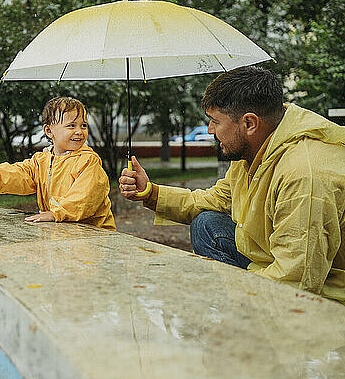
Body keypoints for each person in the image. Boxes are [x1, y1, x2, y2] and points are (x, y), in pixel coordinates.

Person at [119, 66, 345, 304]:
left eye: (215, 121)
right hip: (269, 262)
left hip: (322, 298)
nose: (210, 130)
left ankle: (240, 310)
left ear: (249, 123)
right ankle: (237, 299)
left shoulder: (304, 176)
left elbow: (295, 282)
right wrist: (150, 192)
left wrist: (213, 294)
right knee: (206, 224)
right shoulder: (254, 150)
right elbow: (213, 200)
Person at [0, 96, 116, 231]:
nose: (79, 131)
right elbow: (20, 174)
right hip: (65, 231)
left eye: (83, 125)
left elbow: (85, 197)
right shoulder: (42, 160)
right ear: (49, 131)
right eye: (71, 126)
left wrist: (57, 213)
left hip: (95, 235)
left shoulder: (88, 161)